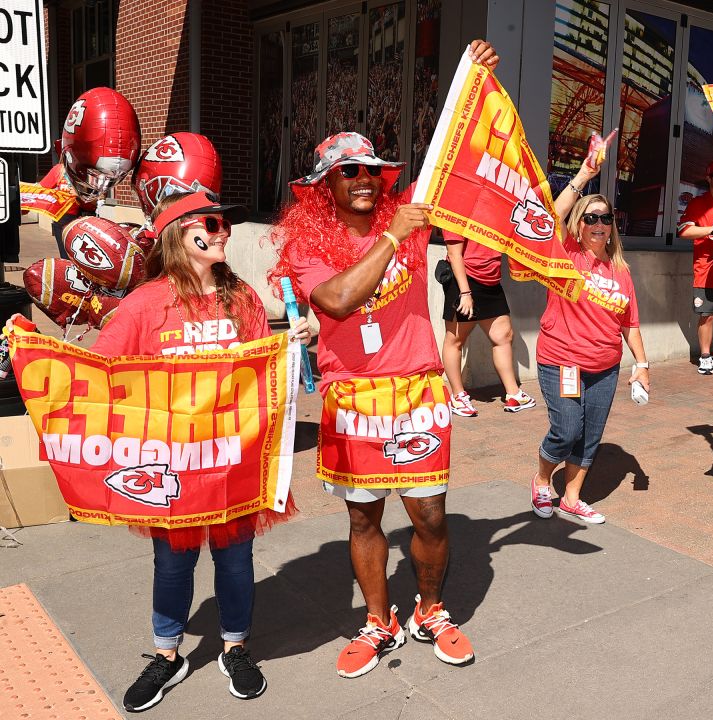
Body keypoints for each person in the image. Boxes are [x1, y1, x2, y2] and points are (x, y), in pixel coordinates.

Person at [6, 192, 311, 711]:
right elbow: (100, 374)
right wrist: (36, 349)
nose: (222, 232)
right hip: (171, 468)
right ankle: (167, 655)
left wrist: (289, 345)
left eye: (224, 225)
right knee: (172, 564)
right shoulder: (145, 304)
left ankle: (235, 648)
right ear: (178, 234)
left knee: (236, 561)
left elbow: (263, 378)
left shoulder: (243, 300)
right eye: (211, 224)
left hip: (231, 460)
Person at [267, 35, 497, 682]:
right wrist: (392, 239)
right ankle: (379, 620)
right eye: (351, 172)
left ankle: (431, 609)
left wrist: (470, 80)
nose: (366, 179)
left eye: (373, 170)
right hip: (353, 398)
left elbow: (453, 148)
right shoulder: (308, 245)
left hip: (418, 389)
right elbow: (338, 300)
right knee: (364, 517)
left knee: (429, 513)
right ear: (324, 187)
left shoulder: (409, 216)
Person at [529, 142, 650, 525]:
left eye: (606, 219)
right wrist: (583, 174)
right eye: (591, 218)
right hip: (563, 361)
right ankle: (542, 479)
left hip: (605, 367)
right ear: (579, 225)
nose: (599, 225)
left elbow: (629, 322)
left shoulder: (622, 271)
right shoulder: (564, 254)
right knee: (566, 429)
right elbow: (550, 214)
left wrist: (642, 364)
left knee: (590, 435)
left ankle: (572, 497)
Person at [438, 230, 536, 417]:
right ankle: (458, 396)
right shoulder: (459, 205)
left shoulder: (494, 204)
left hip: (491, 280)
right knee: (455, 339)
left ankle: (514, 394)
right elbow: (453, 253)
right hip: (464, 280)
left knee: (504, 335)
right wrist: (465, 293)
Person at [678, 161, 713, 375]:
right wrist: (712, 231)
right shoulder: (698, 203)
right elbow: (683, 230)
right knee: (707, 315)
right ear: (709, 179)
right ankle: (705, 357)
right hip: (706, 270)